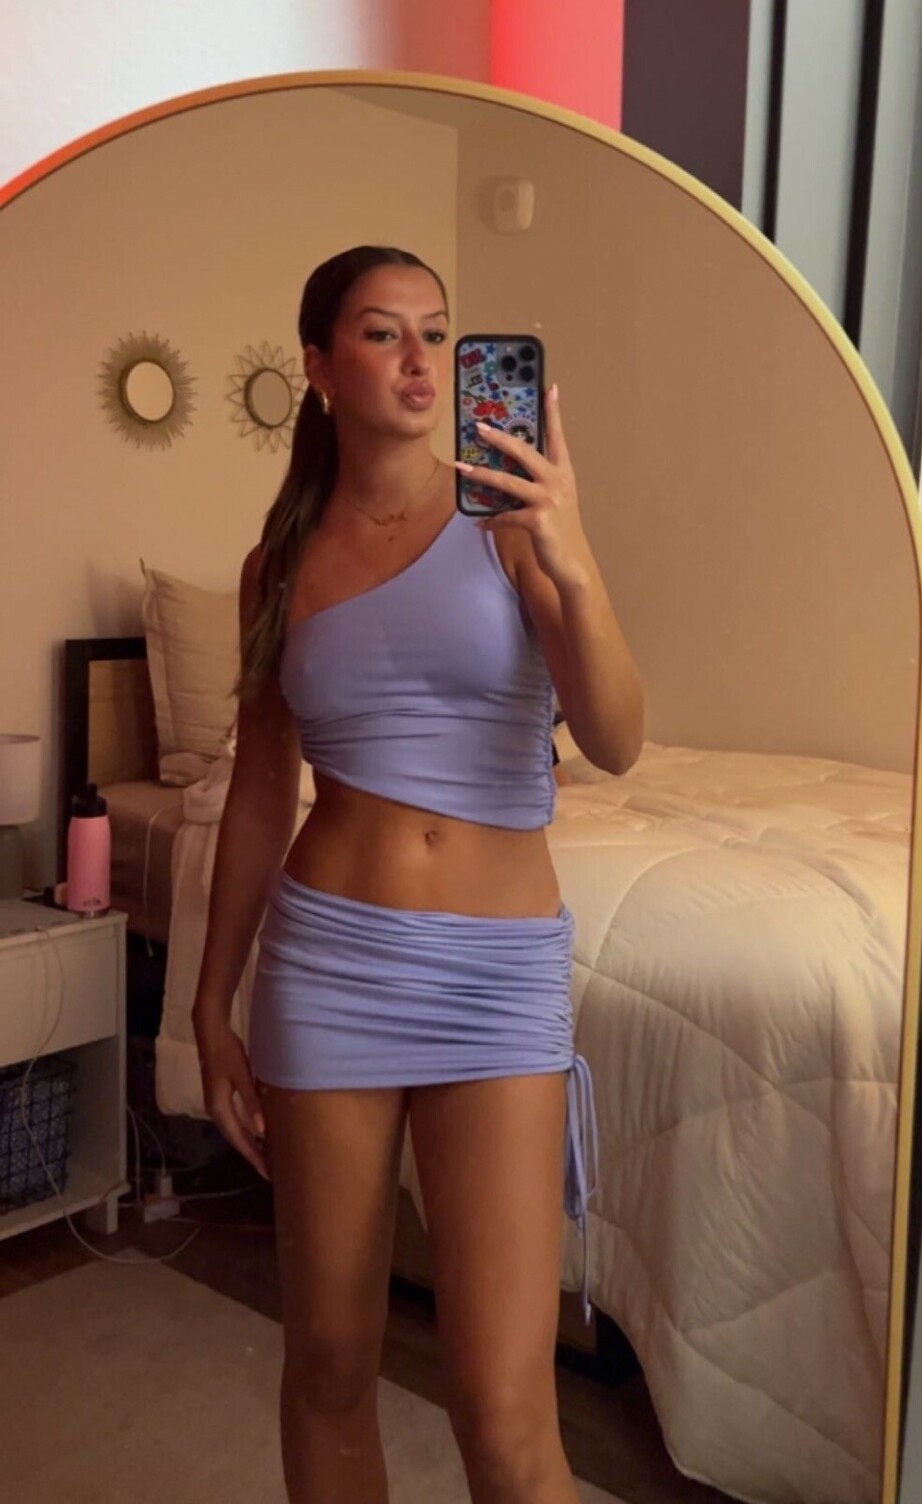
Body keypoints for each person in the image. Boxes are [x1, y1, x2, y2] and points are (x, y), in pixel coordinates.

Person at [193, 245, 644, 1504]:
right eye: (382, 333)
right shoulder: (277, 564)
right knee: (331, 1365)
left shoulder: (508, 525)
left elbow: (615, 739)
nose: (419, 360)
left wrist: (571, 552)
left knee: (504, 1417)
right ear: (319, 366)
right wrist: (209, 1004)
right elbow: (256, 795)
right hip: (327, 968)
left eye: (436, 334)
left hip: (495, 980)